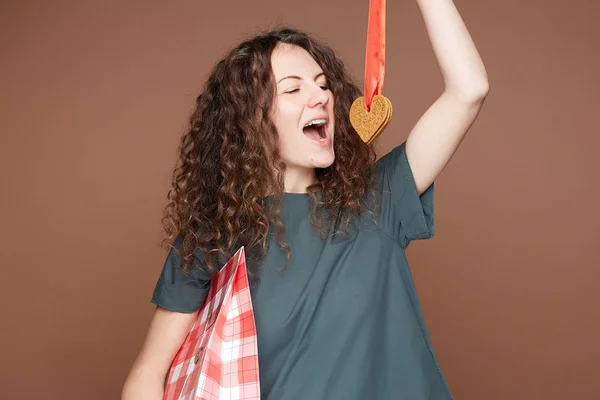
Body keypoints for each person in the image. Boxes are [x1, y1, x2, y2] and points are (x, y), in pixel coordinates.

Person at [122, 2, 489, 398]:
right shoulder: (215, 233)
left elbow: (469, 91)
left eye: (323, 84)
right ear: (249, 119)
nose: (321, 97)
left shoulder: (379, 197)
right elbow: (149, 373)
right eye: (294, 89)